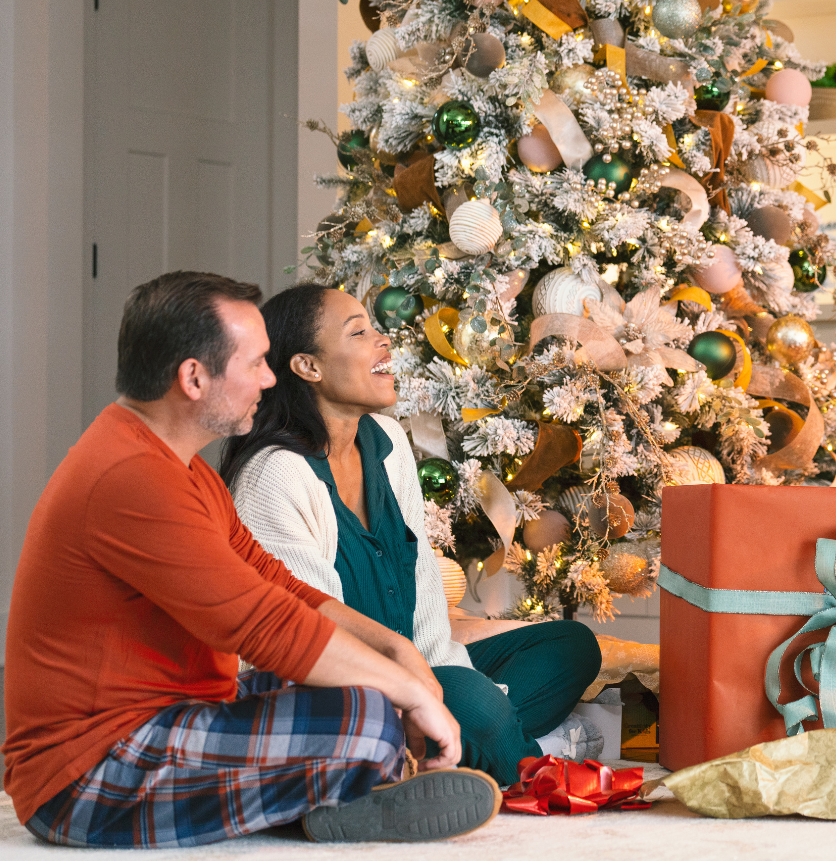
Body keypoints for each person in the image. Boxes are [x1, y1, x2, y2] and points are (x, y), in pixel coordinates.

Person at [4, 272, 501, 849]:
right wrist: (411, 692)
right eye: (256, 363)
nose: (270, 379)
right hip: (89, 772)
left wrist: (397, 651)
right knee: (365, 721)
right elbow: (261, 625)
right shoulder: (131, 478)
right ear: (193, 378)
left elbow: (275, 584)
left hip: (178, 714)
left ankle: (330, 795)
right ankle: (340, 789)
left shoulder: (181, 468)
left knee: (363, 697)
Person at [222, 284, 602, 787]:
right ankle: (523, 762)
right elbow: (314, 641)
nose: (384, 343)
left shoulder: (388, 441)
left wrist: (440, 674)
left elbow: (419, 568)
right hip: (341, 692)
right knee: (478, 705)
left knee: (571, 646)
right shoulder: (278, 476)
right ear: (307, 367)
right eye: (359, 333)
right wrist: (437, 691)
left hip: (412, 670)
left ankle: (455, 742)